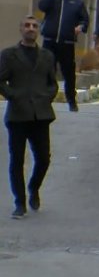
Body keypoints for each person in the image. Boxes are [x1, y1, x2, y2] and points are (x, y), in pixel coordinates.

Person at [1, 16, 58, 218]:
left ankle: (34, 187)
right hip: (17, 115)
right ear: (21, 30)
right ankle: (20, 202)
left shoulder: (47, 56)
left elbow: (53, 82)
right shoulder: (9, 55)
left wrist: (47, 96)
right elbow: (1, 81)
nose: (31, 29)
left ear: (39, 31)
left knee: (43, 158)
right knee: (16, 160)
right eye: (27, 25)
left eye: (34, 26)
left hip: (41, 115)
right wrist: (13, 96)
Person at [38, 0, 88, 112]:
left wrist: (81, 27)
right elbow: (41, 6)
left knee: (68, 73)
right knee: (47, 71)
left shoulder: (76, 1)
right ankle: (45, 99)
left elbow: (85, 19)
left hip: (66, 42)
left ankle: (71, 100)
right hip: (50, 41)